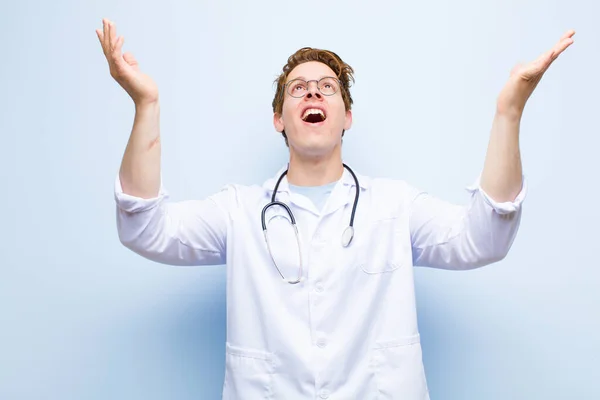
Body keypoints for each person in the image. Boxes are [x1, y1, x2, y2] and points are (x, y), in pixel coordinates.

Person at [96, 18, 575, 399]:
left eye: (327, 87)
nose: (312, 93)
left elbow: (484, 239)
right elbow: (145, 230)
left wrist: (509, 110)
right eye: (298, 88)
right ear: (278, 118)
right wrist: (147, 102)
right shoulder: (239, 212)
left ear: (347, 115)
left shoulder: (394, 205)